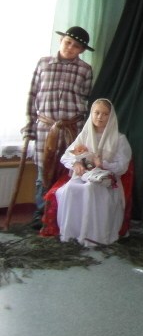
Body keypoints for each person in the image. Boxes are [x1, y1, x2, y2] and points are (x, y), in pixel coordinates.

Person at [22, 26, 94, 227]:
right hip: (46, 128)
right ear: (61, 41)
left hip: (71, 129)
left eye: (76, 46)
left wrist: (84, 133)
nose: (70, 48)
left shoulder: (85, 70)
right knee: (43, 171)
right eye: (68, 42)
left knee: (67, 169)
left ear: (82, 50)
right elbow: (32, 95)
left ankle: (60, 214)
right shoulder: (43, 63)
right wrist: (29, 126)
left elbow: (86, 99)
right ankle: (41, 214)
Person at [51, 99, 132, 246]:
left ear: (111, 117)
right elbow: (66, 156)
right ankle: (71, 234)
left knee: (90, 188)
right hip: (84, 176)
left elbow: (122, 166)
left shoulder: (119, 139)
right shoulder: (84, 135)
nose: (100, 117)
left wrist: (103, 164)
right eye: (97, 113)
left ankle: (92, 236)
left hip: (106, 181)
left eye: (105, 114)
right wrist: (75, 163)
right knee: (70, 188)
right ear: (91, 114)